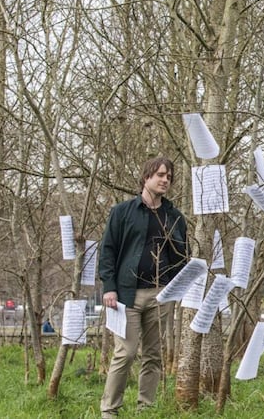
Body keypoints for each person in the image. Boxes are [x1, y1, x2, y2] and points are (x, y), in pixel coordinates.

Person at [98, 157, 189, 418]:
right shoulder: (122, 212)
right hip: (126, 296)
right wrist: (109, 287)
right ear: (146, 177)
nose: (165, 180)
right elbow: (107, 251)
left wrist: (176, 287)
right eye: (160, 175)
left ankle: (145, 409)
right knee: (125, 353)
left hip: (160, 295)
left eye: (169, 177)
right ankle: (109, 410)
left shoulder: (174, 217)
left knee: (153, 355)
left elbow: (182, 257)